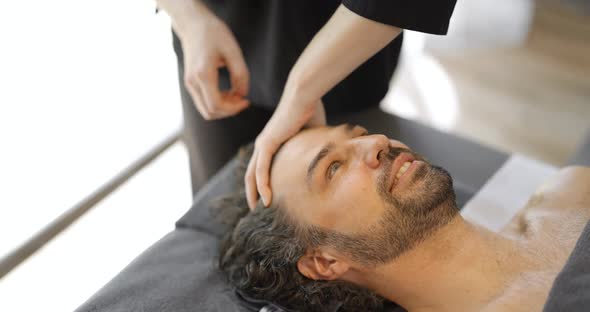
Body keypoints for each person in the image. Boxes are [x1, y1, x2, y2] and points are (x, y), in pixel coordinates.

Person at [218, 124, 590, 312]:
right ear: (324, 260)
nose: (376, 141)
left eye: (359, 134)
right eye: (333, 169)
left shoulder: (564, 194)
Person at [154, 0, 457, 205]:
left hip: (346, 56)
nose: (378, 144)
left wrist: (303, 89)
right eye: (332, 168)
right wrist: (188, 16)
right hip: (212, 52)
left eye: (334, 167)